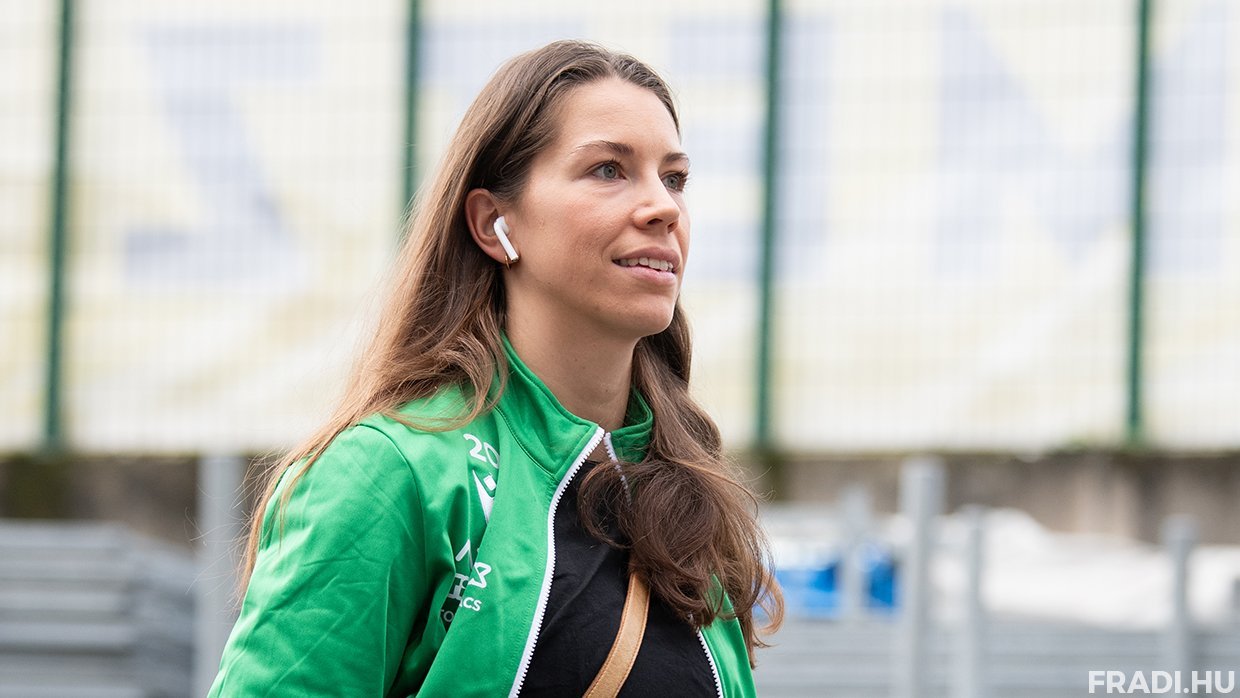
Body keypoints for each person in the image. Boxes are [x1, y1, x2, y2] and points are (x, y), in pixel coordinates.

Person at [209, 39, 782, 697]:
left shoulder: (688, 495)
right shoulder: (391, 472)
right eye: (608, 170)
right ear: (493, 223)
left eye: (674, 178)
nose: (664, 207)